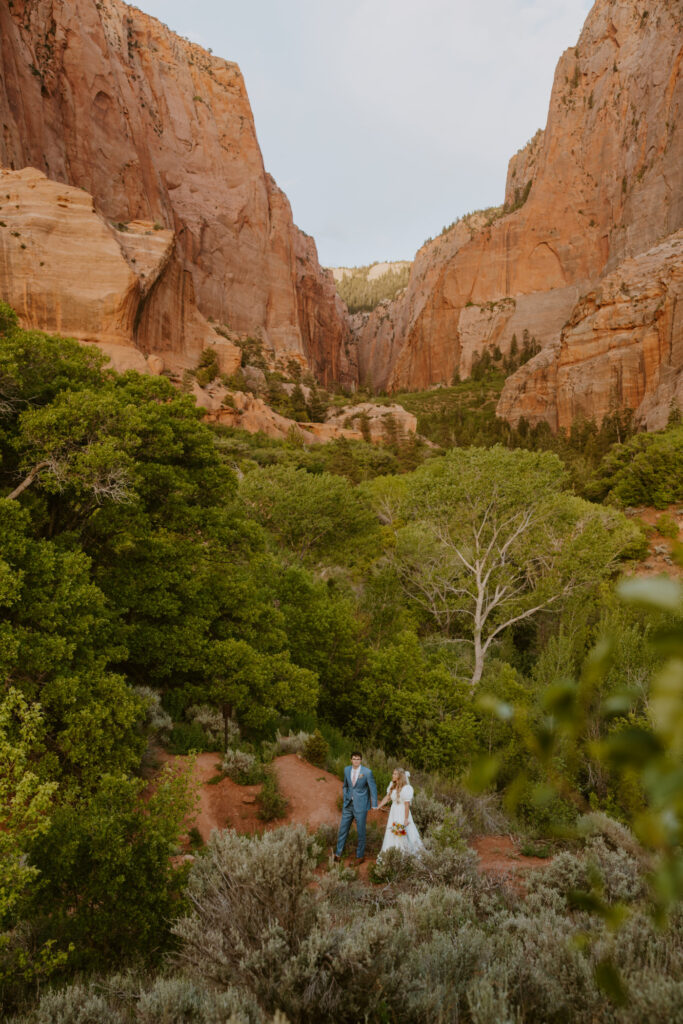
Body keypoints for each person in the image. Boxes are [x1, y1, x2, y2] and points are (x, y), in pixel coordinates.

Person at [334, 751, 378, 865]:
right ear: (351, 760)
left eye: (358, 759)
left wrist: (374, 804)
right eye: (354, 759)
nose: (356, 761)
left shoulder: (367, 772)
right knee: (343, 829)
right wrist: (345, 796)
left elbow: (373, 788)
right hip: (348, 805)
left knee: (361, 832)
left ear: (361, 760)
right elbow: (345, 785)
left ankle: (360, 856)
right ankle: (338, 854)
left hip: (361, 806)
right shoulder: (346, 770)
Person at [377, 767, 424, 857]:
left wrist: (406, 819)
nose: (393, 775)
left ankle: (404, 855)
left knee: (401, 833)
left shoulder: (406, 788)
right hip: (394, 812)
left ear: (400, 776)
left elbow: (407, 805)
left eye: (395, 774)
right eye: (393, 773)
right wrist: (379, 806)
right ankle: (391, 854)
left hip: (402, 813)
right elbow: (387, 797)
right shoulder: (392, 785)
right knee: (392, 832)